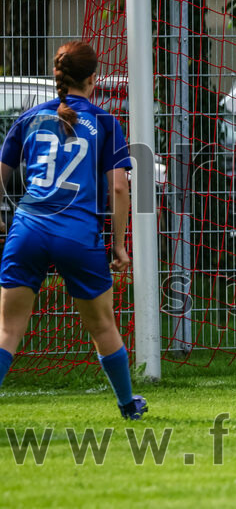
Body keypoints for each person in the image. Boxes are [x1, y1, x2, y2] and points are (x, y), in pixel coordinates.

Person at [0, 41, 145, 419]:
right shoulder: (106, 122)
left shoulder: (28, 118)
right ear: (93, 80)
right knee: (102, 326)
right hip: (77, 235)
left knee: (8, 331)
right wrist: (118, 245)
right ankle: (128, 406)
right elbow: (118, 188)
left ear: (56, 77)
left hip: (28, 230)